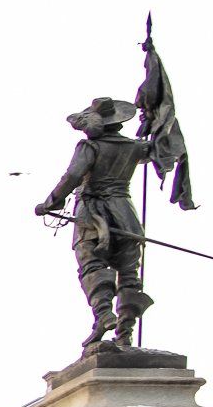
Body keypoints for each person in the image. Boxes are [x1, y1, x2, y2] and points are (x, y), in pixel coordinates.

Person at [35, 95, 158, 350]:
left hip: (93, 214)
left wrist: (51, 202)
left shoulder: (89, 147)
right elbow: (154, 151)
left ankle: (103, 315)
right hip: (126, 217)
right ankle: (125, 332)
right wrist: (151, 127)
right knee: (129, 274)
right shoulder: (135, 147)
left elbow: (74, 175)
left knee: (91, 264)